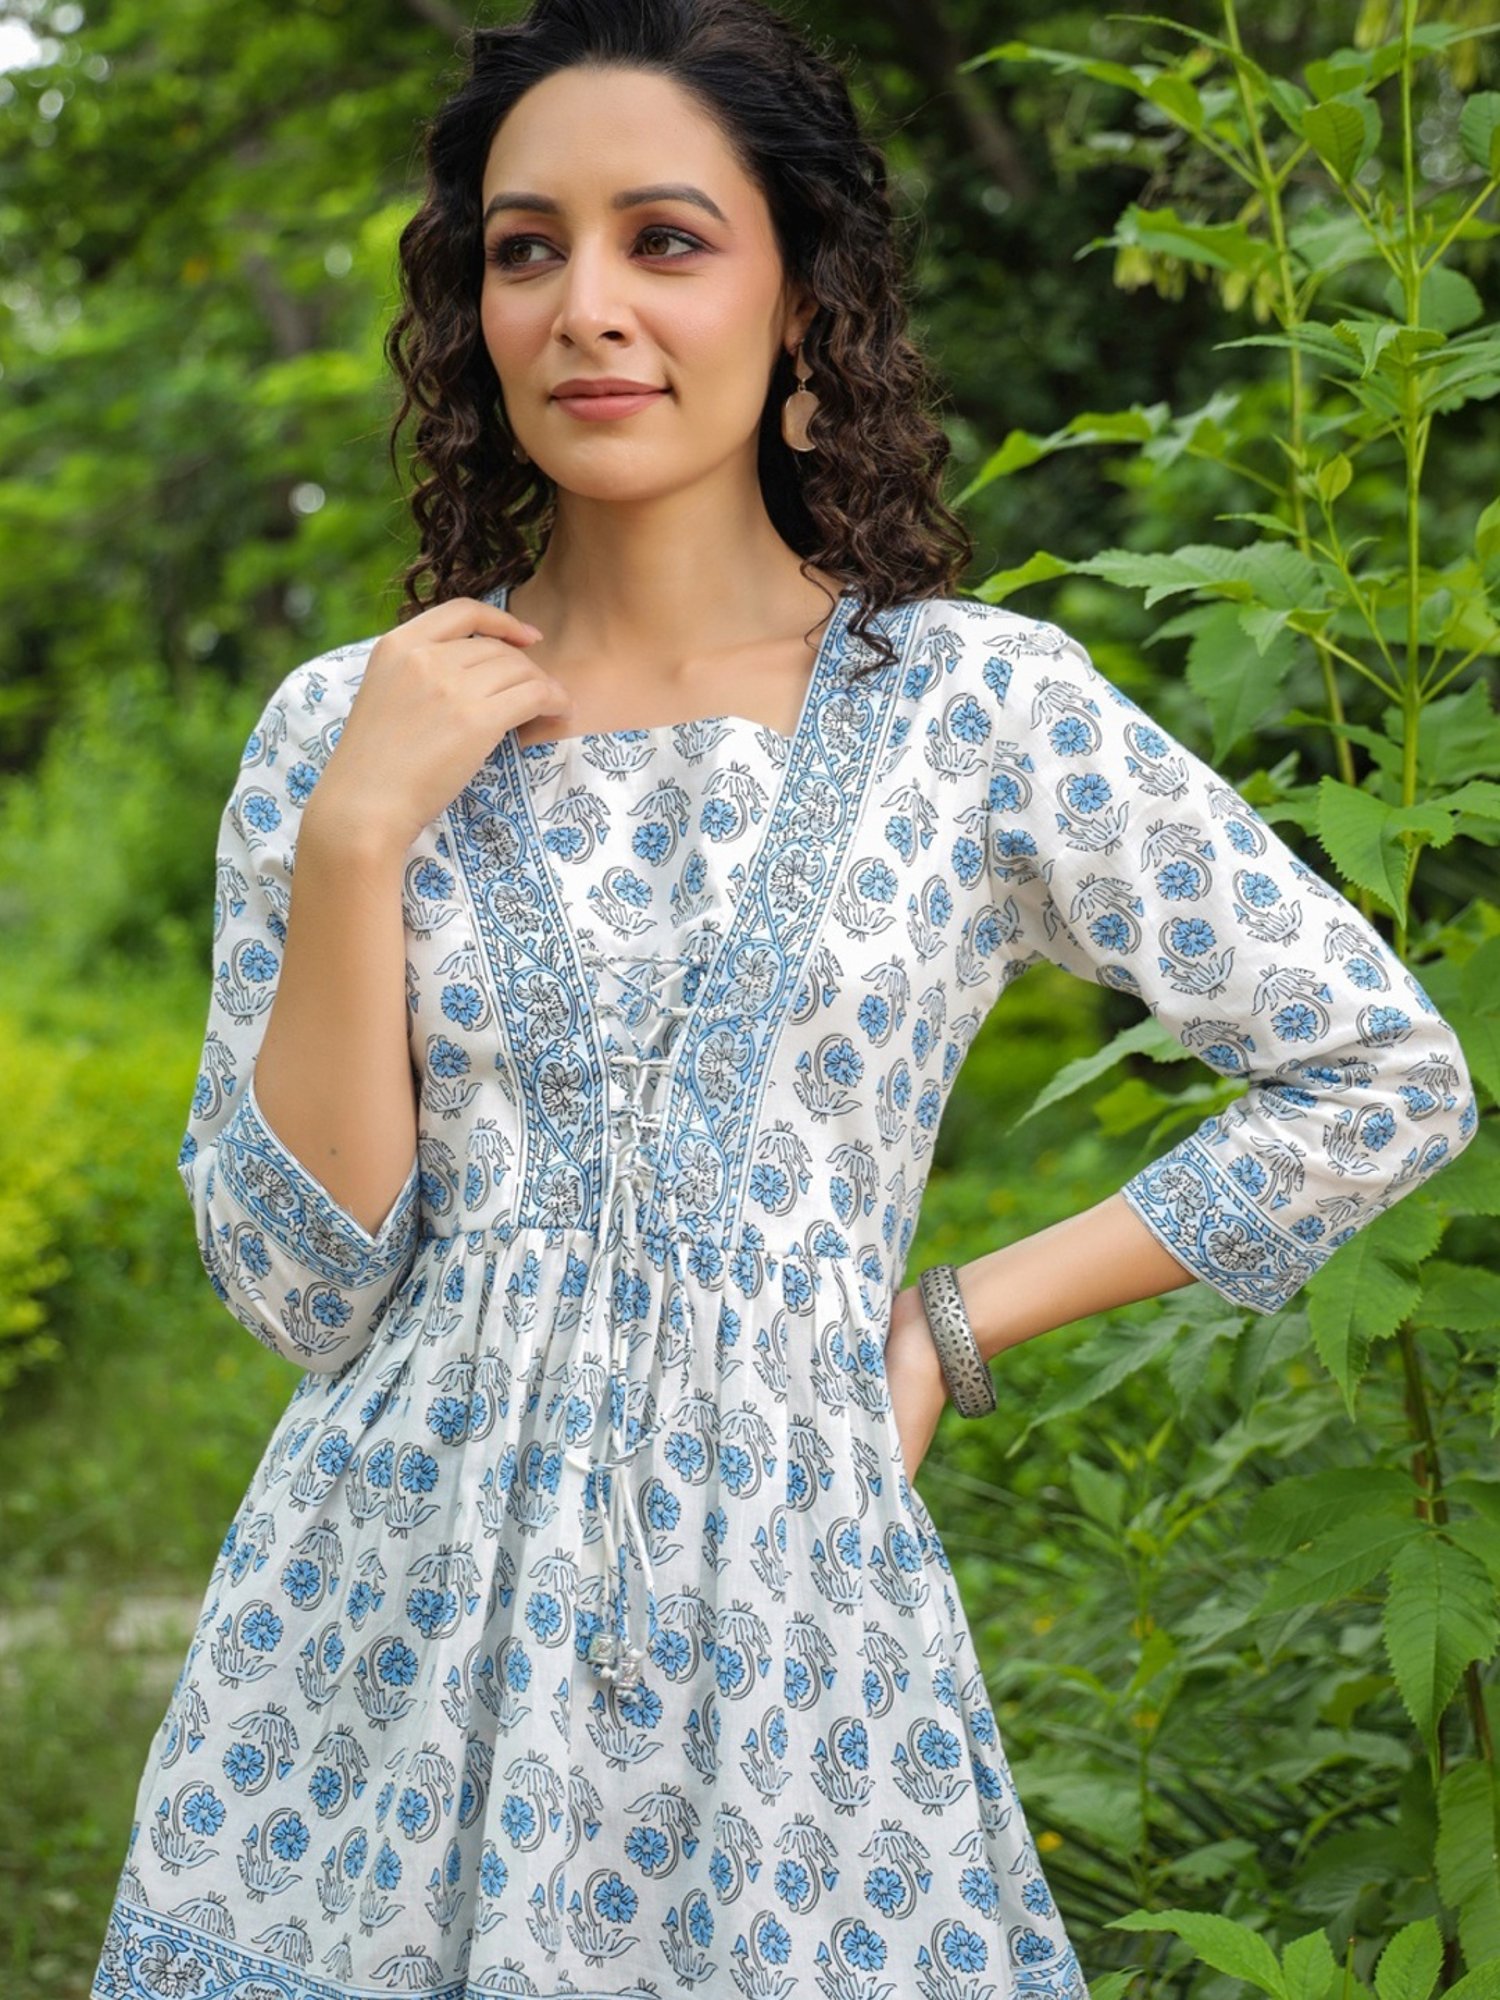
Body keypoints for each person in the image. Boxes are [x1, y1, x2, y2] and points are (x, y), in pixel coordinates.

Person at [90, 0, 1476, 1992]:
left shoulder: (977, 713)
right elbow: (304, 1291)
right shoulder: (348, 727)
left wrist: (950, 1324)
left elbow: (1379, 1072)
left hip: (788, 1640)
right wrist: (352, 842)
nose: (585, 305)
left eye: (665, 238)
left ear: (805, 297)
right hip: (375, 1653)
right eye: (523, 245)